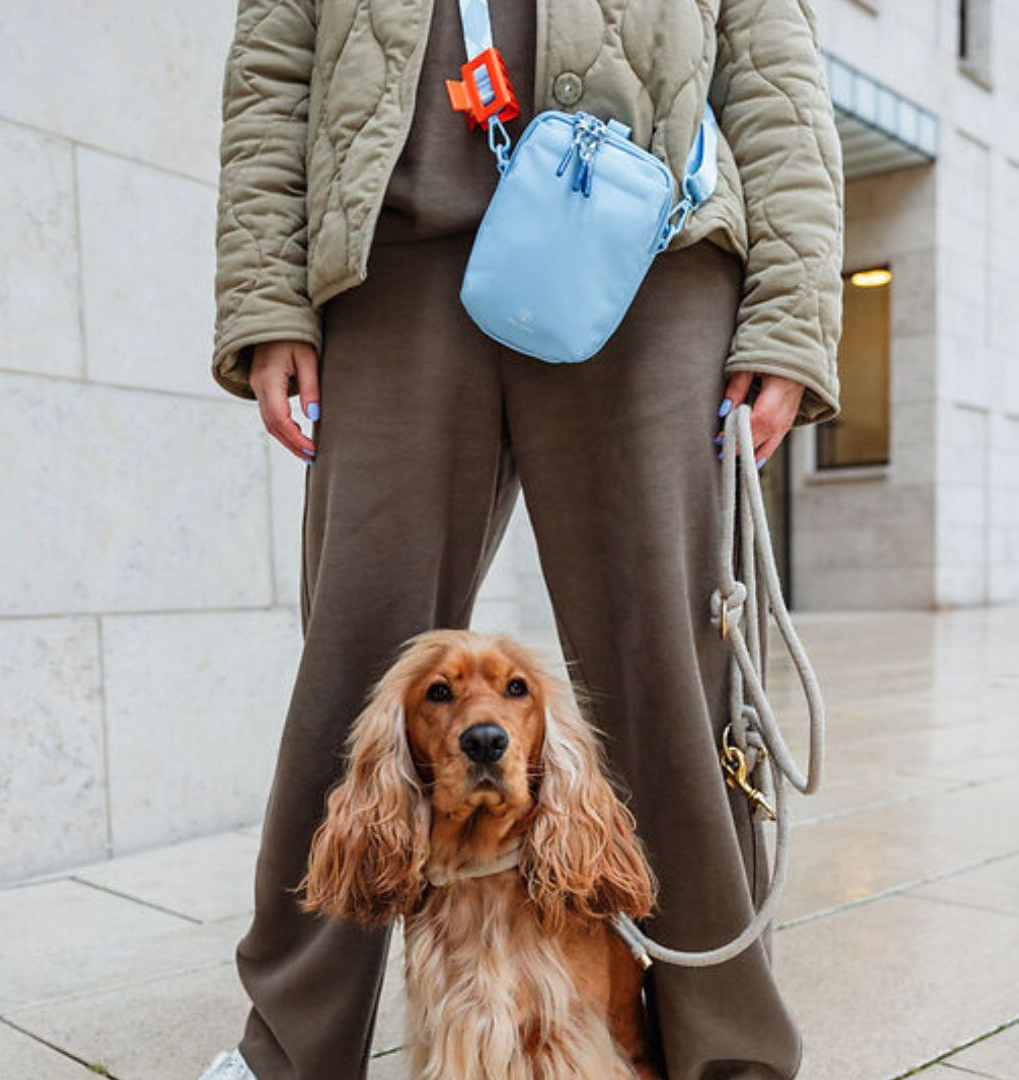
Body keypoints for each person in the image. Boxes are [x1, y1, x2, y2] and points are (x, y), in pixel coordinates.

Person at [199, 0, 843, 1077]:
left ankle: (726, 1054)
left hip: (648, 241)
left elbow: (774, 64)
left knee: (676, 682)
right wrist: (266, 296)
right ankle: (287, 1053)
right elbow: (273, 64)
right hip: (393, 255)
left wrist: (789, 313)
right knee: (355, 676)